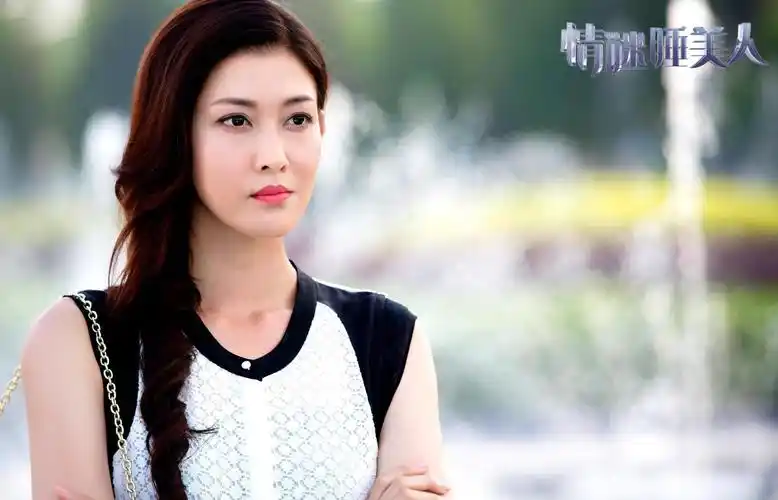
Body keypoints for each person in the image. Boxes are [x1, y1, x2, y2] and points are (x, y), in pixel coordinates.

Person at [20, 0, 451, 498]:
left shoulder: (387, 340)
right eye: (237, 121)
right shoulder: (80, 340)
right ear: (175, 135)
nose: (273, 157)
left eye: (297, 119)